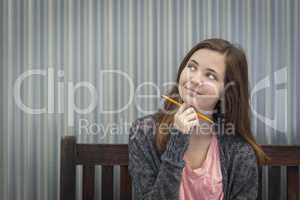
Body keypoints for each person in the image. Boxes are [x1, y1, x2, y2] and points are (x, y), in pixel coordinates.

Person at [128, 38, 269, 200]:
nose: (194, 79)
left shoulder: (240, 151)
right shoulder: (143, 132)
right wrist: (177, 140)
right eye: (191, 67)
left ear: (226, 91)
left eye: (210, 75)